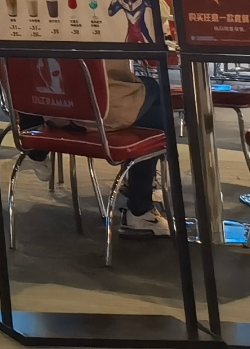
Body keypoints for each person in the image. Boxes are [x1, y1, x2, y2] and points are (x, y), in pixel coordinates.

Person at [40, 60, 171, 237]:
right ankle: (139, 208)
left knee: (151, 99)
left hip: (52, 111)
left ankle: (141, 198)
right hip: (99, 113)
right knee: (154, 96)